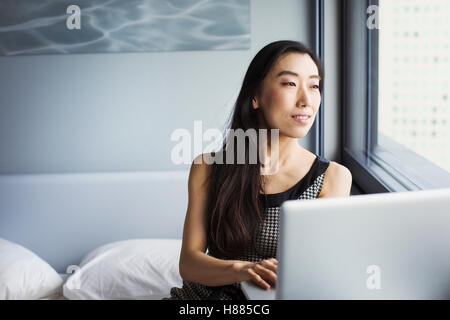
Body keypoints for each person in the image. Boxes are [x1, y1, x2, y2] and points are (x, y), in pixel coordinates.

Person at [163, 40, 352, 300]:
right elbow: (189, 264)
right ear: (255, 97)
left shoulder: (332, 178)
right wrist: (243, 269)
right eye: (290, 84)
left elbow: (318, 273)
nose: (306, 100)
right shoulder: (208, 167)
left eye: (314, 85)